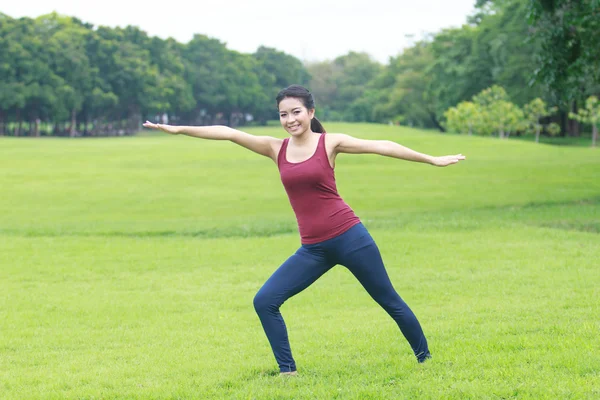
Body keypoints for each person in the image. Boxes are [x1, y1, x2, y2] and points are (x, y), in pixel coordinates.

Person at [143, 84, 466, 376]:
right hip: (314, 248)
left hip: (351, 238)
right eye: (283, 114)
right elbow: (228, 132)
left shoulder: (331, 143)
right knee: (265, 300)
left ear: (311, 112)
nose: (290, 119)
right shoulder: (275, 148)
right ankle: (288, 372)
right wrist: (179, 129)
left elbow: (381, 145)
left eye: (296, 112)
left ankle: (425, 360)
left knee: (389, 300)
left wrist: (431, 159)